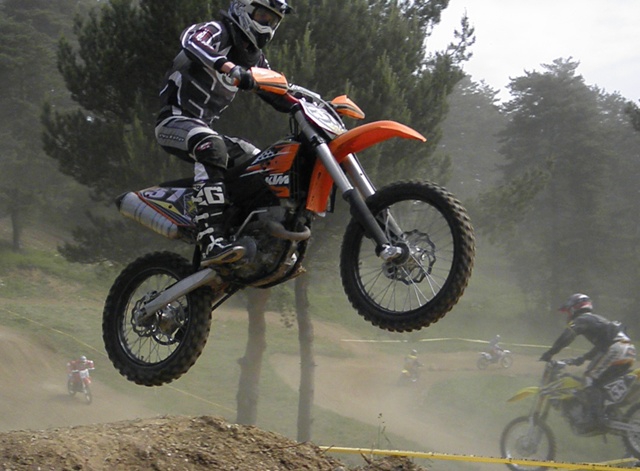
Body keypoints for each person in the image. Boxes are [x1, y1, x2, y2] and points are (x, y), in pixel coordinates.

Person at [155, 0, 293, 266]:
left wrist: (314, 105)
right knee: (211, 145)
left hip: (204, 129)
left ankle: (251, 234)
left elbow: (278, 92)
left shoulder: (255, 59)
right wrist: (229, 67)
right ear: (243, 8)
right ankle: (210, 238)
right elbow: (191, 41)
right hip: (174, 121)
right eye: (263, 16)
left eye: (273, 21)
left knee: (261, 159)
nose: (267, 26)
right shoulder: (218, 31)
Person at [539, 293, 636, 429]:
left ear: (574, 308)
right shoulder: (597, 320)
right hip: (628, 350)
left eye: (568, 312)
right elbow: (601, 346)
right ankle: (608, 411)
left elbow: (567, 336)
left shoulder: (583, 319)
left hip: (616, 348)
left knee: (589, 378)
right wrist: (582, 358)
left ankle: (596, 418)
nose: (568, 315)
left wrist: (550, 353)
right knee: (600, 382)